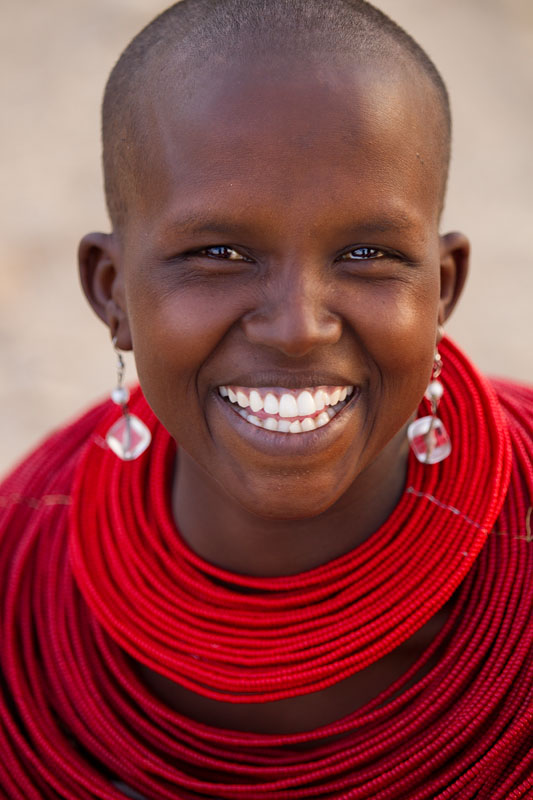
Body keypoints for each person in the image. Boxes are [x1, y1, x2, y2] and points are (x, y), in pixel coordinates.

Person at [1, 0, 532, 797]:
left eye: (366, 253)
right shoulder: (19, 591)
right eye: (218, 252)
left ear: (442, 288)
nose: (296, 328)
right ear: (111, 294)